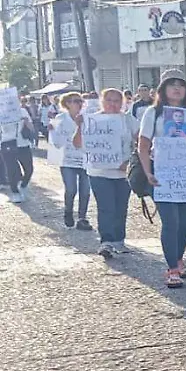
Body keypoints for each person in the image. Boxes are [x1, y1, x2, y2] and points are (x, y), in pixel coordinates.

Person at [137, 69, 186, 288]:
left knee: (184, 225)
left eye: (180, 84)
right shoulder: (153, 113)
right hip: (162, 174)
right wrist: (148, 172)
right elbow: (143, 145)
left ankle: (179, 260)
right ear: (162, 89)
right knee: (170, 223)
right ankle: (171, 268)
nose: (176, 88)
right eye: (171, 84)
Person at [82, 89, 138, 258]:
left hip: (122, 172)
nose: (112, 103)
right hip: (99, 171)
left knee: (121, 207)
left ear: (122, 102)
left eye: (116, 100)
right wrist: (79, 126)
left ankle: (119, 240)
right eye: (109, 100)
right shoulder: (92, 120)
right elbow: (79, 143)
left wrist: (129, 162)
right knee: (106, 207)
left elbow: (141, 140)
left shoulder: (128, 119)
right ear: (102, 101)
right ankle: (106, 241)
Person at [48, 93, 92, 230]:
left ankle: (82, 218)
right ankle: (68, 211)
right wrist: (53, 131)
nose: (79, 103)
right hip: (68, 160)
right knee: (71, 189)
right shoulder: (60, 119)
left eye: (80, 101)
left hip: (85, 159)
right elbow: (56, 143)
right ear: (67, 104)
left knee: (85, 191)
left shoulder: (87, 117)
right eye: (75, 101)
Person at [1, 96, 36, 204]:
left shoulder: (22, 111)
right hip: (7, 143)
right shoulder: (2, 113)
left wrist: (26, 122)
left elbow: (31, 127)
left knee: (29, 169)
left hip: (22, 144)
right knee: (11, 169)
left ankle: (23, 185)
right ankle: (15, 192)